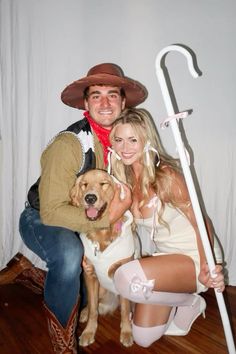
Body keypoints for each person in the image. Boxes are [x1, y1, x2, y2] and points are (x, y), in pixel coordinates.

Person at [0, 64, 147, 353]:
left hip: (89, 221)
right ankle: (63, 344)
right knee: (69, 255)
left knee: (87, 273)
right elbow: (52, 212)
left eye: (112, 95)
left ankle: (31, 273)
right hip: (42, 218)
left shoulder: (125, 144)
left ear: (123, 102)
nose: (105, 103)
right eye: (96, 96)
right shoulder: (69, 144)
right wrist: (110, 217)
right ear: (86, 103)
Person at [108, 107, 225, 348]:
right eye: (118, 140)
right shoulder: (125, 181)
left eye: (133, 140)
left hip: (195, 256)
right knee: (143, 338)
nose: (124, 147)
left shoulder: (166, 176)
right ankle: (189, 303)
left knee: (126, 279)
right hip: (167, 259)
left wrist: (207, 265)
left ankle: (189, 299)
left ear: (146, 140)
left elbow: (201, 222)